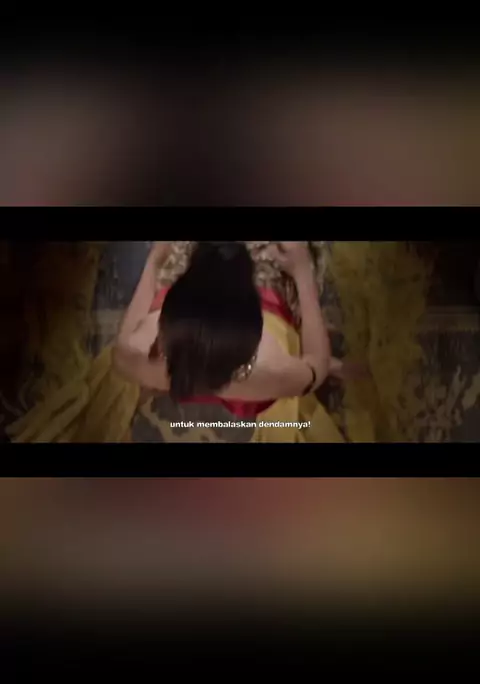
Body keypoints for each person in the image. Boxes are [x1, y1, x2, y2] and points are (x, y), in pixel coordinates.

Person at [113, 241, 345, 442]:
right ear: (255, 338)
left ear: (164, 327)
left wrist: (154, 261)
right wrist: (303, 274)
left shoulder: (138, 354)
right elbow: (317, 365)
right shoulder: (271, 368)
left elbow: (123, 345)